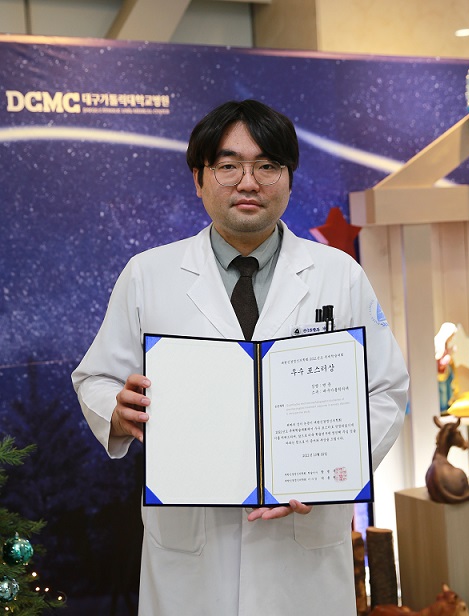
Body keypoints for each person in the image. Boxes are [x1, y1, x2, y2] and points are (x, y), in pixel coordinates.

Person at [72, 99, 409, 615]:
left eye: (267, 165)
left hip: (303, 552)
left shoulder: (339, 274)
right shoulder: (148, 275)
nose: (248, 182)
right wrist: (118, 412)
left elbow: (386, 390)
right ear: (199, 178)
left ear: (288, 179)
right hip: (191, 554)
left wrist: (330, 473)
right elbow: (96, 378)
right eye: (228, 166)